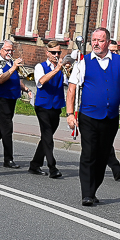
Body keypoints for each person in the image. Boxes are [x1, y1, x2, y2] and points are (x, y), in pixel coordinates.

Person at [66, 27, 120, 206]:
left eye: (100, 40)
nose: (96, 44)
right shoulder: (83, 62)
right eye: (94, 40)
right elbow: (72, 89)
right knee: (89, 153)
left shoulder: (119, 61)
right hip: (88, 116)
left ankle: (94, 188)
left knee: (103, 154)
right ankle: (87, 193)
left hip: (110, 117)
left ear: (107, 42)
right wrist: (69, 114)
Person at [29, 40, 67, 178]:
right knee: (48, 137)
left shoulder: (61, 68)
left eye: (58, 52)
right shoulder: (40, 66)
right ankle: (52, 167)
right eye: (53, 52)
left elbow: (68, 82)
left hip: (56, 106)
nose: (56, 55)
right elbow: (40, 82)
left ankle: (34, 164)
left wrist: (66, 70)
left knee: (46, 137)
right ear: (47, 53)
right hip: (43, 106)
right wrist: (57, 69)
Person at [105, 40, 120, 182]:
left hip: (112, 109)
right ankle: (115, 168)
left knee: (107, 141)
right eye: (112, 50)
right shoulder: (98, 62)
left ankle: (115, 168)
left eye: (116, 51)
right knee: (101, 143)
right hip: (95, 110)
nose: (115, 53)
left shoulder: (119, 63)